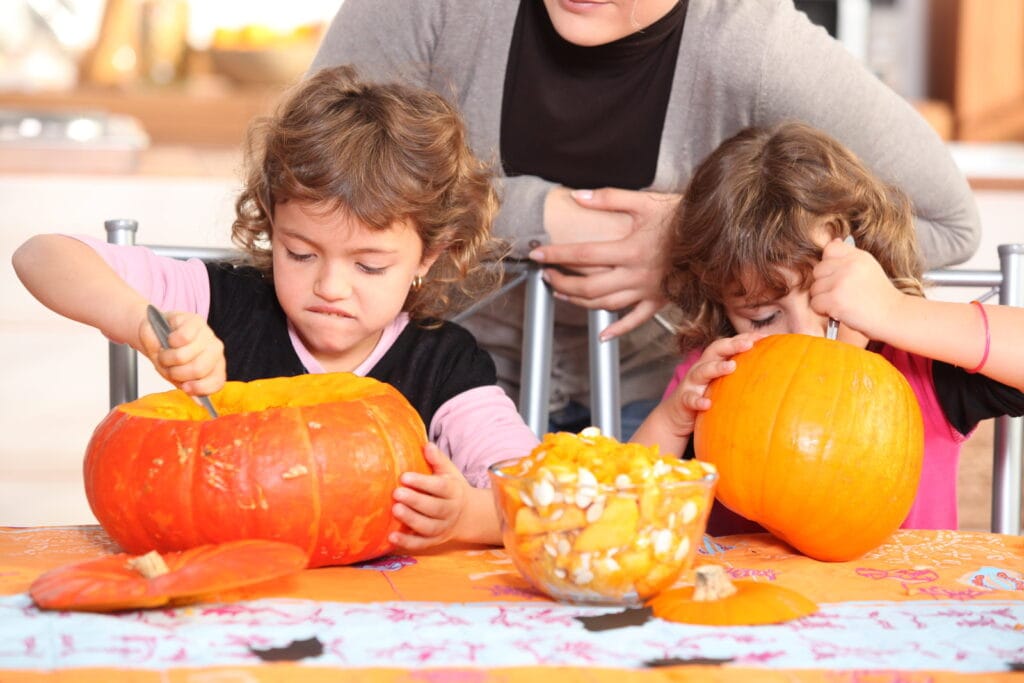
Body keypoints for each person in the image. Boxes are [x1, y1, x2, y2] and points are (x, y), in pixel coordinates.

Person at [309, 0, 982, 439]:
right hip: (430, 383)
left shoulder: (753, 43)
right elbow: (309, 175)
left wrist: (696, 238)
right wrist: (540, 215)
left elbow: (947, 221)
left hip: (662, 404)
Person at [12, 64, 539, 551]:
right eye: (301, 254)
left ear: (429, 255)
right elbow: (41, 256)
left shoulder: (446, 366)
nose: (330, 287)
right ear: (271, 224)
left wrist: (466, 516)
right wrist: (144, 325)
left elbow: (536, 499)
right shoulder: (223, 302)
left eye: (369, 266)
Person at [631, 121, 1024, 532]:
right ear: (719, 302)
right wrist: (672, 422)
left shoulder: (921, 365)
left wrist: (895, 311)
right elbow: (625, 520)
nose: (806, 334)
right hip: (743, 577)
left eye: (831, 302)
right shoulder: (716, 372)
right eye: (763, 317)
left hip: (901, 578)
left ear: (869, 266)